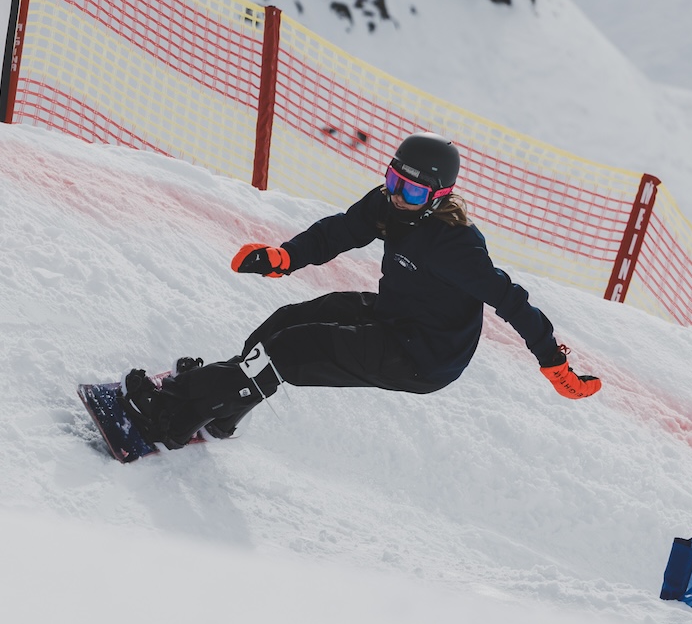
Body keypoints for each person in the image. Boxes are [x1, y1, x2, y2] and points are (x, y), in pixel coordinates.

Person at [121, 133, 602, 449]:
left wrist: (552, 362)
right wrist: (286, 257)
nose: (398, 195)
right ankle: (222, 409)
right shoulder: (388, 206)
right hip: (396, 315)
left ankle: (169, 416)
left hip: (425, 356)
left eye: (413, 192)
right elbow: (342, 230)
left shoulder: (454, 244)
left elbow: (511, 300)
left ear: (438, 197)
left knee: (288, 352)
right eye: (395, 180)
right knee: (284, 323)